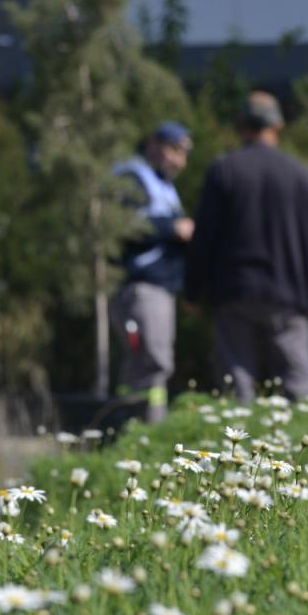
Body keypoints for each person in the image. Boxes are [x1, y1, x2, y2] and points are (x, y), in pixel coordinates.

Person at [184, 92, 308, 403]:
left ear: (240, 126)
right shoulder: (299, 173)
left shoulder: (225, 169)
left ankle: (237, 447)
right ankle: (306, 443)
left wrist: (192, 290)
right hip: (289, 292)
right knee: (297, 383)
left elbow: (205, 236)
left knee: (236, 384)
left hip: (236, 290)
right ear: (278, 126)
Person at [110, 121, 194, 422]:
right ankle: (144, 431)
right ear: (152, 146)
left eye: (184, 153)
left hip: (159, 289)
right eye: (174, 150)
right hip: (142, 289)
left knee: (147, 364)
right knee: (152, 363)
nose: (179, 161)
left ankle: (138, 428)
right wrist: (172, 227)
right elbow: (124, 224)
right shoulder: (132, 178)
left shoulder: (165, 186)